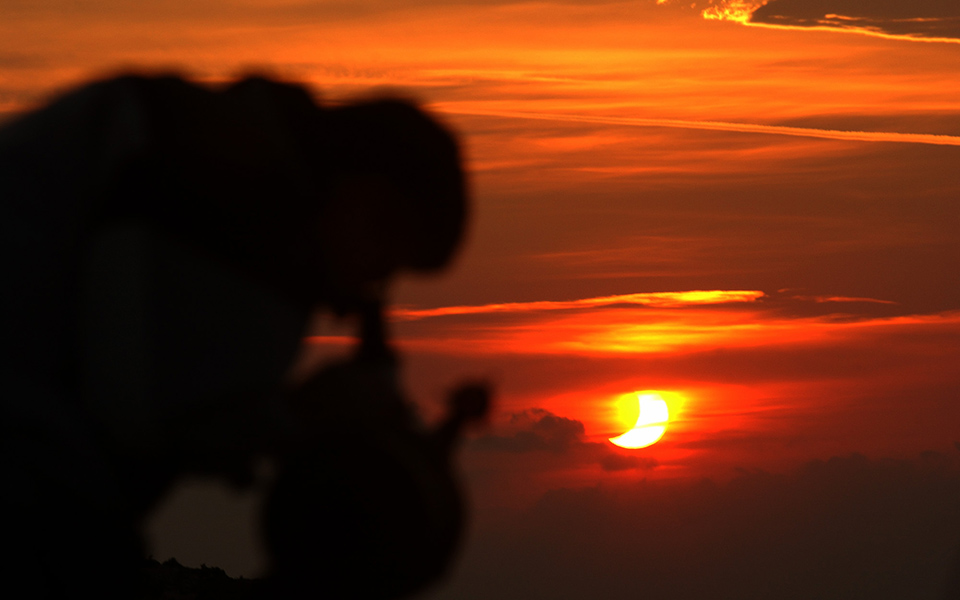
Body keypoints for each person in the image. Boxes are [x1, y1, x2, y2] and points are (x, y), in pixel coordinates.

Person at [0, 73, 487, 599]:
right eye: (383, 236)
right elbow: (132, 410)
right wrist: (305, 420)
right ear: (356, 181)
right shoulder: (226, 187)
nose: (370, 278)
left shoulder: (219, 143)